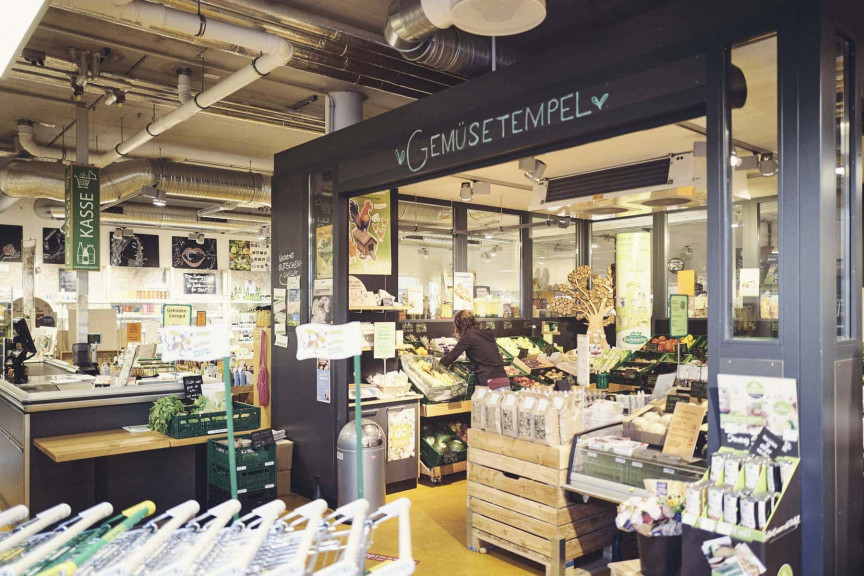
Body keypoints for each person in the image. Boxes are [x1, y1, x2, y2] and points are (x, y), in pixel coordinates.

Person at [440, 310, 509, 390]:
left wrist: (439, 365)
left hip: (489, 381)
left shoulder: (469, 336)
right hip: (503, 378)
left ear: (459, 325)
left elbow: (451, 356)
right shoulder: (485, 334)